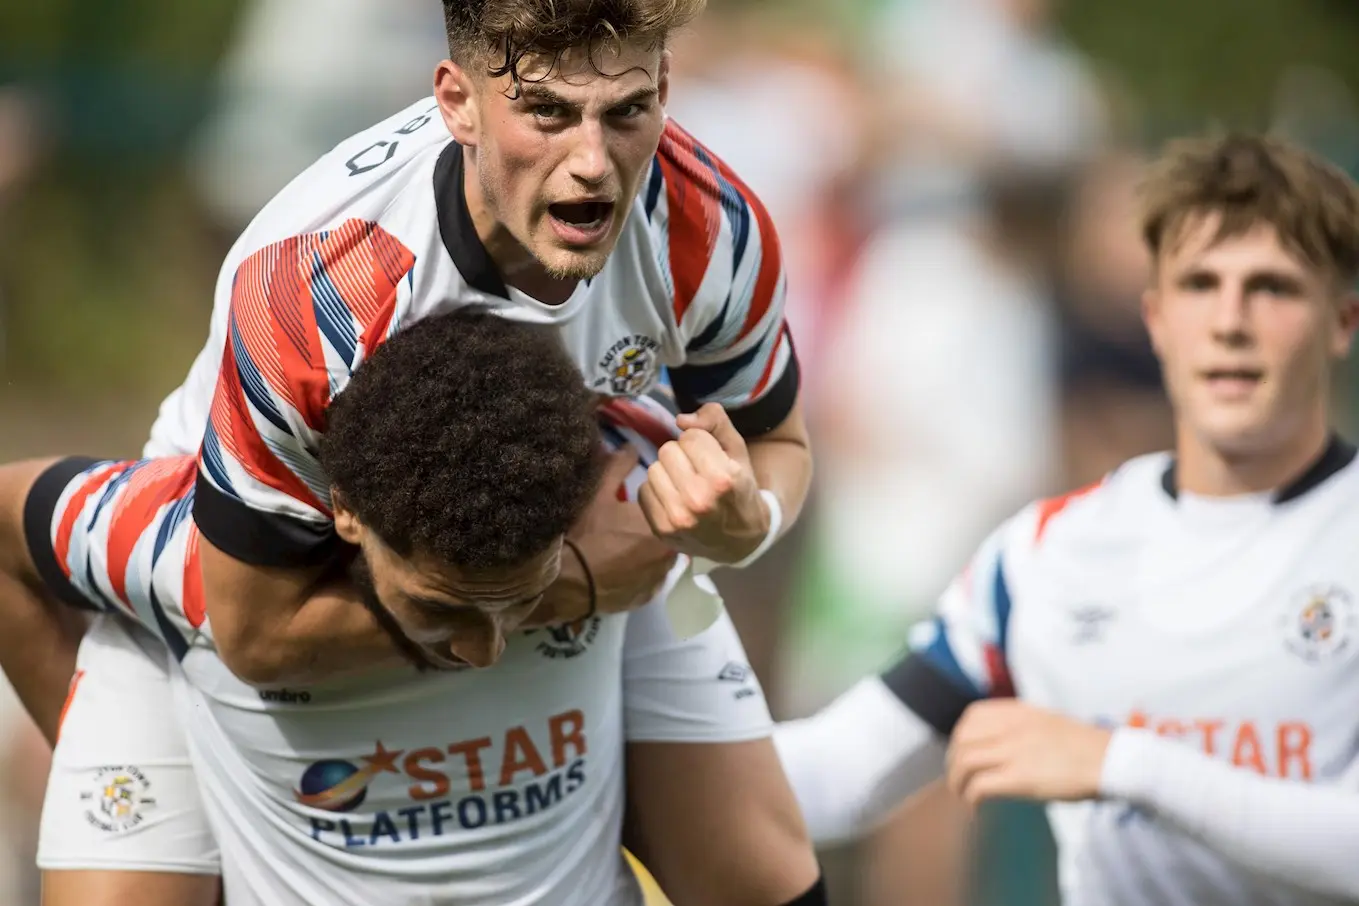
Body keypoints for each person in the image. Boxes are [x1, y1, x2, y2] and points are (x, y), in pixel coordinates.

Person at [1, 309, 820, 906]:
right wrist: (112, 761)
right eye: (447, 607)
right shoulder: (186, 556)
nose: (485, 652)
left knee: (768, 881)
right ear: (346, 512)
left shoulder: (623, 501)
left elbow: (772, 447)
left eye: (525, 598)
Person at [773, 131, 1359, 906]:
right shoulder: (1049, 551)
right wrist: (624, 717)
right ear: (1154, 318)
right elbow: (834, 775)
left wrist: (1119, 764)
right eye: (1199, 285)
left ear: (1342, 321)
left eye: (1271, 288)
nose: (1229, 321)